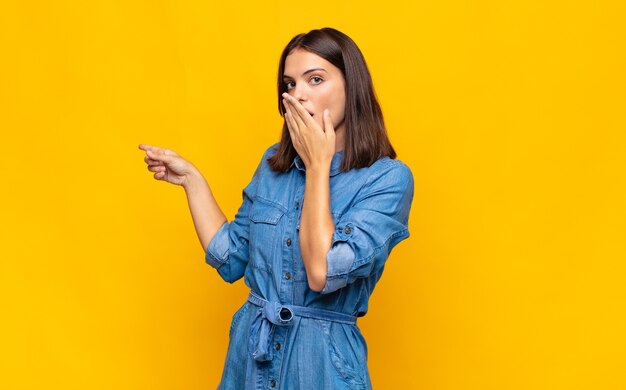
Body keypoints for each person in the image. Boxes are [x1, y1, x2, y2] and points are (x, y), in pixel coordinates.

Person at [139, 27, 414, 390]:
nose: (298, 96)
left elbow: (323, 272)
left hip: (321, 367)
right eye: (289, 84)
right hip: (250, 359)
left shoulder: (387, 180)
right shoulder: (274, 164)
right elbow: (232, 257)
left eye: (315, 79)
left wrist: (318, 166)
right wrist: (192, 180)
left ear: (353, 86)